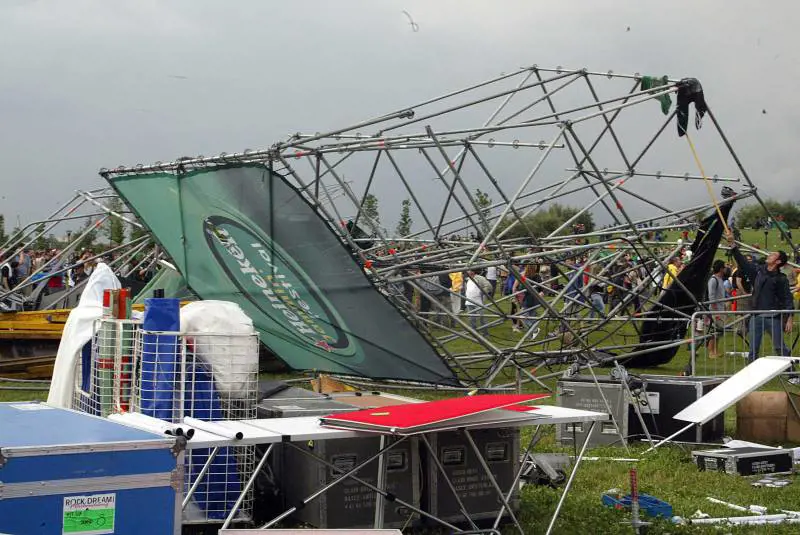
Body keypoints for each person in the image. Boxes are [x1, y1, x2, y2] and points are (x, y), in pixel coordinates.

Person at [726, 229, 794, 363]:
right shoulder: (757, 272)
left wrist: (790, 318)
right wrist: (732, 244)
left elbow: (787, 298)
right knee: (753, 349)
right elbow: (743, 262)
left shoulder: (781, 278)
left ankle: (791, 374)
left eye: (773, 254)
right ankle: (749, 376)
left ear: (778, 262)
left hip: (773, 317)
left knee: (779, 347)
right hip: (756, 316)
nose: (769, 255)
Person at [706, 260, 727, 359]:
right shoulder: (713, 280)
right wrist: (715, 311)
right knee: (713, 332)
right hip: (715, 310)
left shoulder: (720, 279)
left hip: (721, 309)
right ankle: (711, 352)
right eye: (724, 267)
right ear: (721, 268)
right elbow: (711, 296)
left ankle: (716, 350)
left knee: (719, 332)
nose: (726, 269)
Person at [464, 270, 488, 335]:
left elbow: (488, 286)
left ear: (473, 271)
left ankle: (485, 332)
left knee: (481, 317)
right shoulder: (467, 279)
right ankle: (474, 332)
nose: (468, 271)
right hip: (469, 301)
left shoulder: (480, 278)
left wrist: (482, 292)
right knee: (471, 318)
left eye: (469, 270)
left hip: (478, 301)